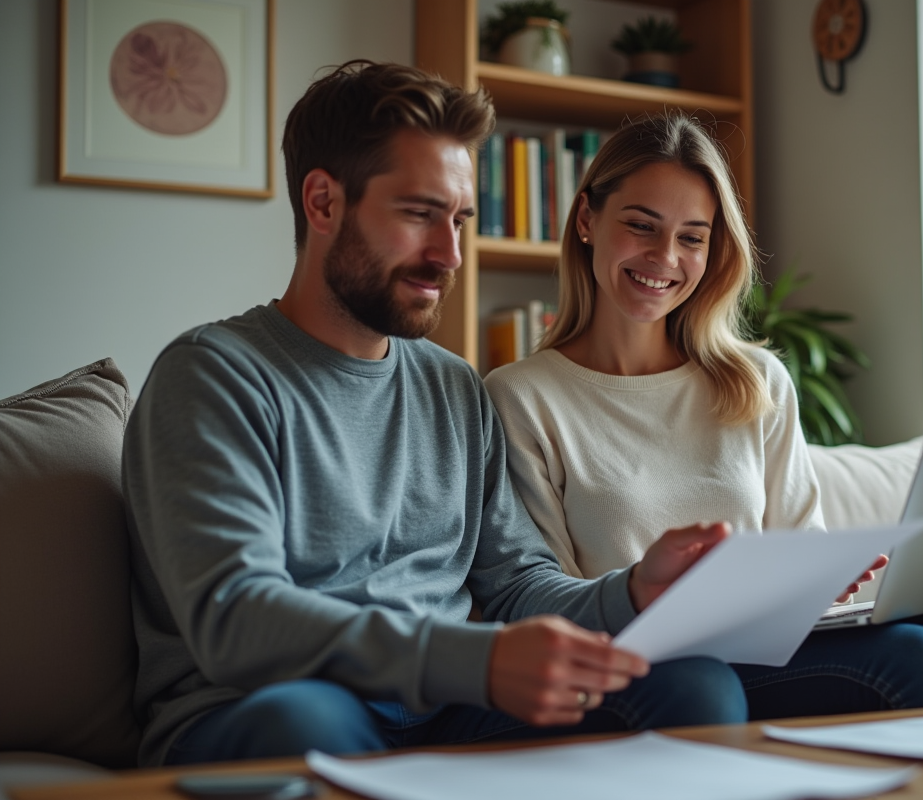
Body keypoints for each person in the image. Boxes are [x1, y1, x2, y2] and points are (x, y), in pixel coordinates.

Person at [122, 62, 752, 768]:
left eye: (459, 220)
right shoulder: (214, 374)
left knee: (692, 689)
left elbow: (516, 585)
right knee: (304, 719)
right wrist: (473, 661)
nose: (449, 255)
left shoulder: (453, 388)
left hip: (443, 711)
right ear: (324, 203)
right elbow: (236, 613)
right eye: (420, 214)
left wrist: (634, 591)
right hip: (267, 705)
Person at [483, 112, 923, 720]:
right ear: (586, 220)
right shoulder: (523, 397)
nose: (665, 257)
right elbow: (539, 602)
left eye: (692, 237)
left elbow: (798, 543)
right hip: (652, 667)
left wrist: (825, 579)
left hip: (769, 646)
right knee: (914, 659)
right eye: (641, 226)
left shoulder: (755, 381)